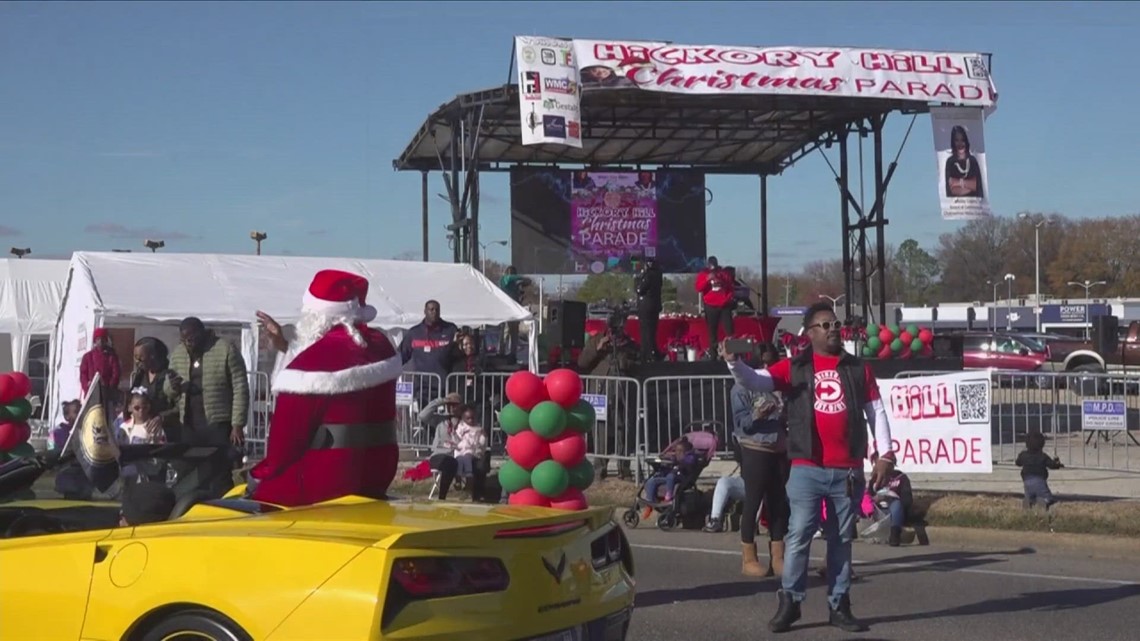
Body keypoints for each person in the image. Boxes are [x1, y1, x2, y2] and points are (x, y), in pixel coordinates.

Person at [723, 301, 896, 634]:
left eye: (835, 324)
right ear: (810, 333)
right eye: (825, 325)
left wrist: (885, 454)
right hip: (806, 465)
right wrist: (734, 362)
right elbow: (756, 381)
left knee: (841, 538)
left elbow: (877, 411)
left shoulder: (858, 368)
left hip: (846, 469)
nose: (833, 329)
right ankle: (790, 602)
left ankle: (840, 604)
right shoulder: (795, 367)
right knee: (799, 534)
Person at [248, 270, 403, 506]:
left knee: (253, 496)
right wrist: (283, 345)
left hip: (328, 478)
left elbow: (282, 449)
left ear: (315, 314)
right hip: (378, 472)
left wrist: (258, 475)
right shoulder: (380, 346)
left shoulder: (310, 368)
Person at [165, 317, 250, 497]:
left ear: (201, 333)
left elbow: (240, 387)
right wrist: (174, 387)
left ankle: (223, 507)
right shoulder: (178, 353)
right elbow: (168, 390)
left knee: (219, 470)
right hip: (188, 423)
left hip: (217, 422)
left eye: (191, 339)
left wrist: (237, 425)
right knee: (188, 470)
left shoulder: (225, 349)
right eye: (184, 340)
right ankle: (190, 506)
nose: (188, 344)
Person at [730, 342, 789, 578]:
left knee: (778, 503)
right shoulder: (740, 389)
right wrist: (757, 414)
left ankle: (778, 556)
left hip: (778, 447)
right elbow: (741, 423)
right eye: (762, 362)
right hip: (755, 447)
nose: (766, 366)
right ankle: (749, 557)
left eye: (769, 362)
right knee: (753, 501)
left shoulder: (774, 385)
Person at [578, 310, 639, 481]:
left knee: (623, 427)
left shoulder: (629, 344)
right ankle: (600, 469)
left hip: (622, 390)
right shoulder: (596, 339)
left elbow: (637, 363)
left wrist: (623, 354)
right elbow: (582, 362)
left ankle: (624, 469)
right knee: (600, 430)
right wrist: (598, 349)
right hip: (600, 390)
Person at [399, 300, 460, 408]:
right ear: (425, 311)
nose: (434, 312)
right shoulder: (414, 333)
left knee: (444, 423)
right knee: (425, 420)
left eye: (437, 309)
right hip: (423, 388)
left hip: (445, 387)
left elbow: (459, 354)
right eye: (431, 309)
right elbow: (401, 356)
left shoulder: (450, 329)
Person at [127, 337, 178, 438]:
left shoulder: (169, 375)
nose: (137, 361)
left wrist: (162, 417)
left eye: (140, 357)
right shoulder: (140, 375)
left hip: (166, 432)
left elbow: (179, 407)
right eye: (135, 357)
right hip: (144, 431)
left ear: (152, 356)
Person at [641, 438, 697, 518]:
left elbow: (687, 465)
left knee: (671, 476)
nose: (678, 453)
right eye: (677, 450)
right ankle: (650, 503)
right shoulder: (674, 457)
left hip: (681, 478)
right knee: (652, 481)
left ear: (686, 452)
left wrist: (679, 463)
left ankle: (668, 496)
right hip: (669, 478)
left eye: (681, 451)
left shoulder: (689, 459)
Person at [695, 257, 735, 359]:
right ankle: (713, 355)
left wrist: (727, 299)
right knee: (712, 331)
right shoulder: (703, 274)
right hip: (710, 305)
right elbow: (698, 288)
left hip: (724, 305)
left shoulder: (723, 273)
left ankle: (731, 353)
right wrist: (707, 279)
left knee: (729, 330)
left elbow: (730, 287)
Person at [1016, 431, 1063, 510]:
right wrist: (1057, 463)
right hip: (1040, 481)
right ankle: (1044, 501)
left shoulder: (1023, 455)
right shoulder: (1043, 456)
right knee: (1048, 497)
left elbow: (1018, 463)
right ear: (1042, 445)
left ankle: (1028, 501)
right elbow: (1052, 465)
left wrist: (1019, 457)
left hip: (1026, 481)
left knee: (1029, 495)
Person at [635, 256, 663, 362]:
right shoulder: (658, 274)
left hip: (646, 306)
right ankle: (652, 351)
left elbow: (640, 289)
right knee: (652, 329)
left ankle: (648, 353)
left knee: (646, 330)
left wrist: (638, 279)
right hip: (655, 305)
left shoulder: (649, 275)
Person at [498, 266, 531, 359]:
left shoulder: (514, 285)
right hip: (506, 310)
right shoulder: (505, 280)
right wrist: (521, 279)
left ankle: (512, 353)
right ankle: (501, 351)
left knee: (513, 333)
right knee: (505, 331)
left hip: (514, 310)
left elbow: (527, 282)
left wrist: (521, 283)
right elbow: (511, 278)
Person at [80, 328, 121, 400]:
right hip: (91, 392)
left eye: (103, 339)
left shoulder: (111, 356)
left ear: (106, 340)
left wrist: (110, 386)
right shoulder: (88, 356)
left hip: (107, 393)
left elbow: (116, 373)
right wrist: (87, 385)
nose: (100, 341)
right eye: (98, 339)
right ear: (95, 341)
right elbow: (83, 374)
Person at [944, 124, 984, 198]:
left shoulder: (973, 161)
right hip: (955, 207)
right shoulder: (950, 162)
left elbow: (976, 186)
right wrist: (969, 185)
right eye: (957, 140)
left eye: (962, 140)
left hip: (974, 207)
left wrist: (958, 182)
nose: (960, 144)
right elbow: (951, 190)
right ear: (953, 142)